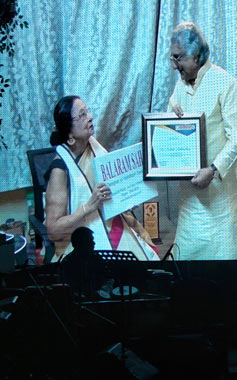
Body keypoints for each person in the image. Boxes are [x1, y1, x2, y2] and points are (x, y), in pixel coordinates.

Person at [168, 22, 237, 260]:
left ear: (196, 55)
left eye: (178, 58)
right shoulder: (180, 86)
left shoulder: (224, 82)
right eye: (172, 58)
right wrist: (170, 116)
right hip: (190, 200)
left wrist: (213, 170)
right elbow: (170, 134)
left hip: (220, 199)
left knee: (225, 266)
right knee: (188, 265)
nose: (174, 65)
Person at [44, 96, 159, 261]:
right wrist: (89, 207)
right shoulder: (59, 170)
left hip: (112, 222)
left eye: (87, 111)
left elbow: (112, 189)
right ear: (70, 135)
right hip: (80, 237)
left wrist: (129, 198)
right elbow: (53, 231)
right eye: (82, 115)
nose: (90, 117)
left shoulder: (93, 145)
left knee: (144, 263)